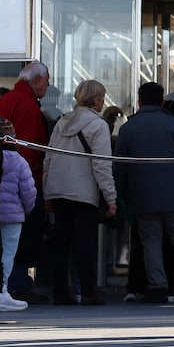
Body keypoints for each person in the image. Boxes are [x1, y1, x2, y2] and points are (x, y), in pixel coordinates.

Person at [115, 82, 174, 305]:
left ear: (139, 102)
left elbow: (119, 167)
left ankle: (157, 287)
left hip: (143, 196)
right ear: (162, 101)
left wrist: (119, 194)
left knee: (151, 240)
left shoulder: (128, 128)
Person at [44, 79, 118, 306]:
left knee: (61, 242)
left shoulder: (61, 122)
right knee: (84, 244)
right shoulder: (98, 125)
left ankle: (60, 291)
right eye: (102, 98)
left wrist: (47, 192)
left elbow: (49, 158)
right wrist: (111, 197)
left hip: (58, 188)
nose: (103, 102)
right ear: (96, 100)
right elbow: (101, 164)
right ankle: (88, 291)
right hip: (83, 191)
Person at [0, 61, 50, 305]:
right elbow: (28, 150)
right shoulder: (27, 104)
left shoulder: (8, 99)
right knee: (20, 239)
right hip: (19, 184)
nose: (48, 84)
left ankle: (5, 284)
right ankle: (15, 284)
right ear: (37, 79)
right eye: (46, 79)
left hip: (1, 180)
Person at [0, 119, 35, 311]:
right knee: (7, 255)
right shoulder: (19, 161)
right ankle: (3, 291)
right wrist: (27, 210)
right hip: (13, 217)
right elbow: (28, 192)